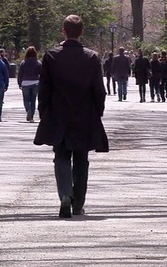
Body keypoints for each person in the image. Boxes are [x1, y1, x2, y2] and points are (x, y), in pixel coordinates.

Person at [34, 15, 108, 219]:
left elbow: (44, 89)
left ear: (63, 31)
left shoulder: (51, 56)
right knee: (82, 159)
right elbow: (99, 90)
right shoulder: (92, 57)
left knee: (62, 156)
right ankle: (78, 204)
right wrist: (97, 113)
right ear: (81, 32)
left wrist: (44, 112)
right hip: (84, 114)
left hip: (59, 113)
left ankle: (65, 194)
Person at [18, 46, 42, 122]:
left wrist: (19, 83)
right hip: (35, 82)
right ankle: (31, 116)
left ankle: (28, 110)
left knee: (26, 99)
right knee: (33, 100)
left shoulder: (23, 63)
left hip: (25, 83)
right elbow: (42, 73)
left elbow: (20, 74)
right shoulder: (38, 62)